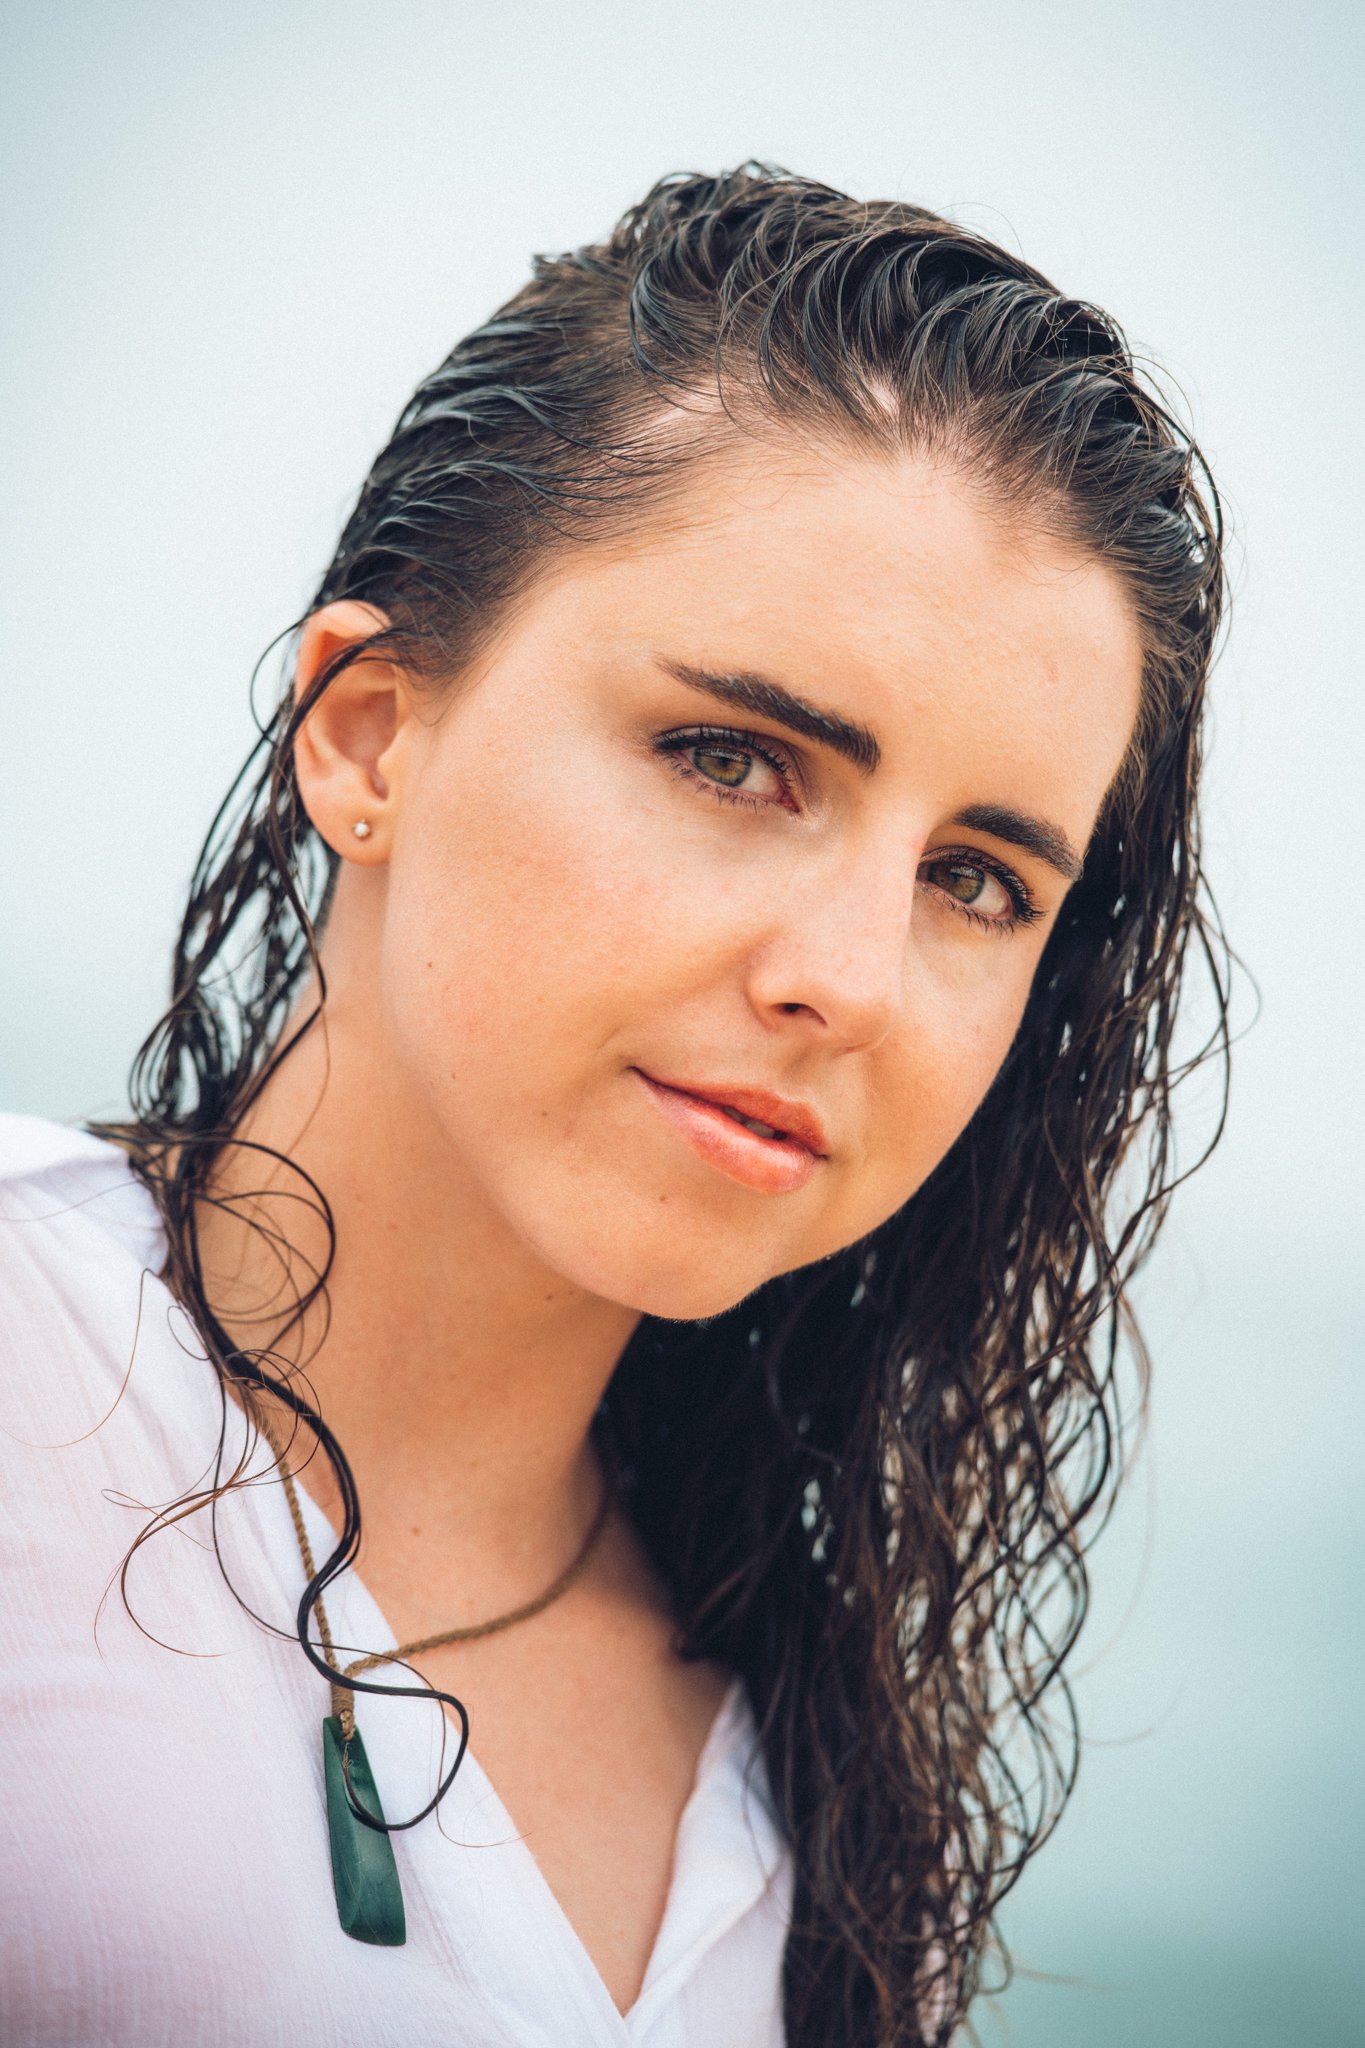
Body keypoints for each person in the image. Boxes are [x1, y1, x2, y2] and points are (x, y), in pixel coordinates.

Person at [0, 163, 1229, 2047]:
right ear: (369, 734)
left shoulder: (811, 1789)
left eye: (978, 879)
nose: (855, 978)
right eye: (734, 759)